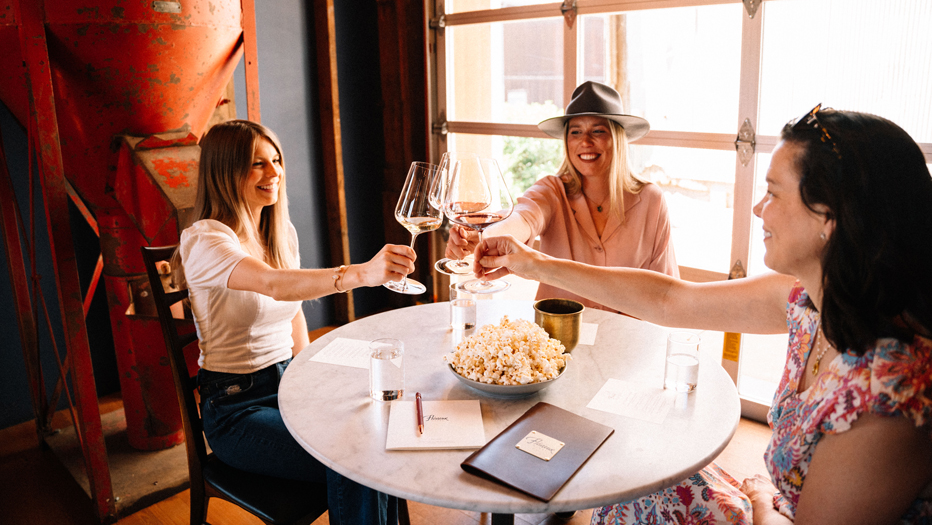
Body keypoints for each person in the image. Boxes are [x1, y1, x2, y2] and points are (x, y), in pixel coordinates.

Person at [472, 105, 932, 524]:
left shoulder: (888, 393)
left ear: (828, 217)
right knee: (629, 482)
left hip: (774, 513)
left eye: (772, 193)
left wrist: (759, 498)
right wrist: (530, 261)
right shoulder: (806, 301)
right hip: (773, 503)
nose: (757, 209)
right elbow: (671, 300)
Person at [175, 119, 415, 524]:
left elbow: (295, 310)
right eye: (257, 164)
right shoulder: (204, 239)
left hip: (288, 386)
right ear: (224, 170)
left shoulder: (279, 231)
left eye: (276, 160)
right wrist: (360, 274)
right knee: (353, 458)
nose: (274, 173)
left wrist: (311, 383)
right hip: (236, 407)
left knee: (381, 431)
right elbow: (274, 285)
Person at [446, 81, 678, 311]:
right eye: (575, 132)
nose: (585, 142)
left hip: (629, 338)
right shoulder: (552, 191)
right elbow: (523, 218)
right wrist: (485, 235)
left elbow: (666, 290)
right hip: (557, 337)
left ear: (617, 138)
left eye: (598, 131)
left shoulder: (651, 201)